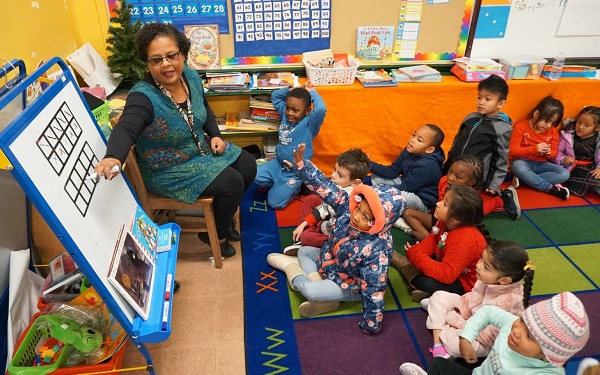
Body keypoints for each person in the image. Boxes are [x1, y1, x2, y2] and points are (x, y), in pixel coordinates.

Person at [93, 23, 257, 258]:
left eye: (172, 56)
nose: (166, 65)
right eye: (156, 60)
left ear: (182, 52)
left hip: (199, 150)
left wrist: (216, 135)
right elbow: (127, 127)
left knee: (248, 165)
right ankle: (217, 236)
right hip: (167, 168)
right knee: (232, 182)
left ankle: (222, 219)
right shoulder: (143, 96)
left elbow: (205, 110)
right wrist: (112, 156)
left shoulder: (190, 76)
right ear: (147, 63)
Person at [266, 144, 406, 335]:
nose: (357, 217)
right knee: (304, 250)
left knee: (311, 291)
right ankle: (324, 295)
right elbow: (326, 188)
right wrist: (302, 166)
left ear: (379, 222)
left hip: (349, 283)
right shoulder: (348, 208)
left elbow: (375, 291)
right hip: (331, 260)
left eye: (366, 218)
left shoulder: (378, 252)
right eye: (358, 210)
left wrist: (371, 324)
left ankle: (293, 272)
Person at [399, 291, 590, 375]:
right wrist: (466, 338)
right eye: (523, 320)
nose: (517, 330)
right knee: (439, 365)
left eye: (529, 337)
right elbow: (488, 312)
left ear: (547, 356)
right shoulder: (513, 325)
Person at [423, 240, 535, 360]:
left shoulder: (508, 302)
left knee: (455, 344)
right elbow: (472, 297)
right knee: (439, 295)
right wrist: (460, 311)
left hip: (484, 340)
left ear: (505, 280)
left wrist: (456, 320)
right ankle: (439, 343)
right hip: (470, 318)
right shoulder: (488, 279)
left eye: (486, 267)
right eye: (481, 258)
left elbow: (487, 336)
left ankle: (438, 323)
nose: (478, 265)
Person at [395, 185, 490, 302]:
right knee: (413, 244)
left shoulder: (464, 239)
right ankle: (422, 284)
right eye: (443, 200)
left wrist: (418, 258)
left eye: (445, 204)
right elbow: (434, 239)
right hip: (445, 259)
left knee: (424, 281)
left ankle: (405, 267)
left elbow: (447, 275)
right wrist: (418, 251)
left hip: (463, 281)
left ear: (456, 219)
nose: (438, 204)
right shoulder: (445, 221)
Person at [402, 155, 520, 241]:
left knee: (480, 211)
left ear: (471, 182)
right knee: (408, 213)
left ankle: (502, 199)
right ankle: (429, 239)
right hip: (441, 219)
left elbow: (465, 224)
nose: (451, 178)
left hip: (454, 224)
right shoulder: (444, 181)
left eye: (458, 177)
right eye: (450, 172)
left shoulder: (468, 200)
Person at [254, 82, 327, 209]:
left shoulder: (310, 123)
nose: (289, 113)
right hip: (279, 164)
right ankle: (282, 185)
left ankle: (297, 186)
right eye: (288, 108)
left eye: (295, 110)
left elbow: (321, 109)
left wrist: (312, 92)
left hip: (295, 171)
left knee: (274, 203)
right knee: (252, 174)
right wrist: (294, 89)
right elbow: (275, 96)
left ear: (307, 111)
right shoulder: (285, 115)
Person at [285, 148, 370, 254]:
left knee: (307, 237)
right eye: (334, 170)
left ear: (355, 182)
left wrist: (318, 225)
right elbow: (324, 206)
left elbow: (334, 227)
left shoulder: (351, 200)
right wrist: (304, 224)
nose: (333, 176)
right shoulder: (341, 186)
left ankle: (307, 241)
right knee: (312, 199)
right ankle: (303, 236)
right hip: (330, 217)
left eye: (340, 175)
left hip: (336, 232)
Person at [443, 75, 512, 196]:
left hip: (473, 177)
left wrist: (493, 184)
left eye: (488, 99)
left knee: (464, 206)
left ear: (500, 104)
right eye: (479, 97)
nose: (481, 102)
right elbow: (456, 143)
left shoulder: (501, 128)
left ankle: (502, 199)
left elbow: (500, 158)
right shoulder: (470, 118)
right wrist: (448, 165)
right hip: (456, 171)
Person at [370, 124, 445, 214]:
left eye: (419, 140)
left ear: (429, 150)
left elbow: (405, 188)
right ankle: (373, 194)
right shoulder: (410, 149)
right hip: (405, 184)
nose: (412, 140)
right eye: (414, 135)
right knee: (376, 176)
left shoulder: (427, 166)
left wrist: (376, 189)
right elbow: (392, 171)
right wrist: (368, 164)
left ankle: (384, 211)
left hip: (420, 200)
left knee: (401, 196)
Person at [509, 96, 570, 200]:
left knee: (565, 174)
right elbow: (513, 152)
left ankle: (525, 181)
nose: (548, 125)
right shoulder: (521, 127)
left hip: (541, 164)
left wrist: (548, 153)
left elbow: (554, 153)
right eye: (547, 121)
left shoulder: (553, 131)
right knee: (518, 166)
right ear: (536, 114)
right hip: (522, 162)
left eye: (553, 123)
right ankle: (549, 188)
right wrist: (534, 149)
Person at [554, 106, 600, 196]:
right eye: (579, 122)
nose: (581, 127)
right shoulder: (567, 135)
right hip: (571, 167)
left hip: (590, 167)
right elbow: (556, 152)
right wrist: (563, 159)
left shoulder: (598, 139)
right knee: (589, 179)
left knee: (595, 176)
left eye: (587, 125)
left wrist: (599, 168)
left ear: (597, 127)